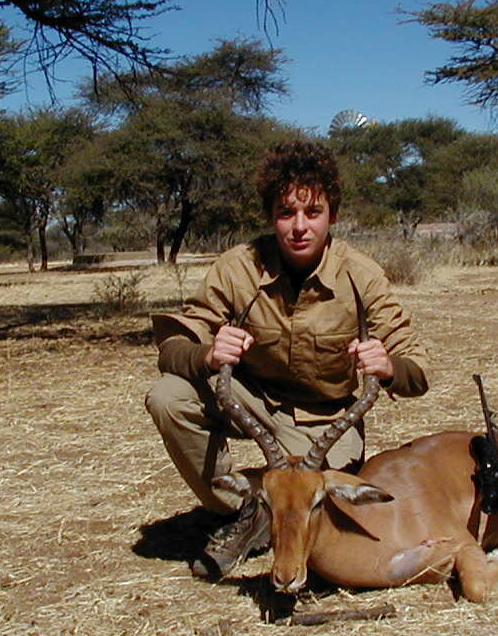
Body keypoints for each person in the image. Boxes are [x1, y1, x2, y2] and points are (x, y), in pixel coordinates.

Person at [145, 140, 429, 579]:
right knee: (168, 396)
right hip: (253, 403)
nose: (299, 227)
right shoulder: (237, 267)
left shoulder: (361, 275)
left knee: (320, 500)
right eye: (285, 213)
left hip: (323, 423)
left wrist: (390, 367)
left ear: (331, 215)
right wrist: (207, 353)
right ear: (270, 217)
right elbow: (172, 348)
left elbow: (418, 369)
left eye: (312, 213)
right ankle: (246, 510)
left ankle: (267, 515)